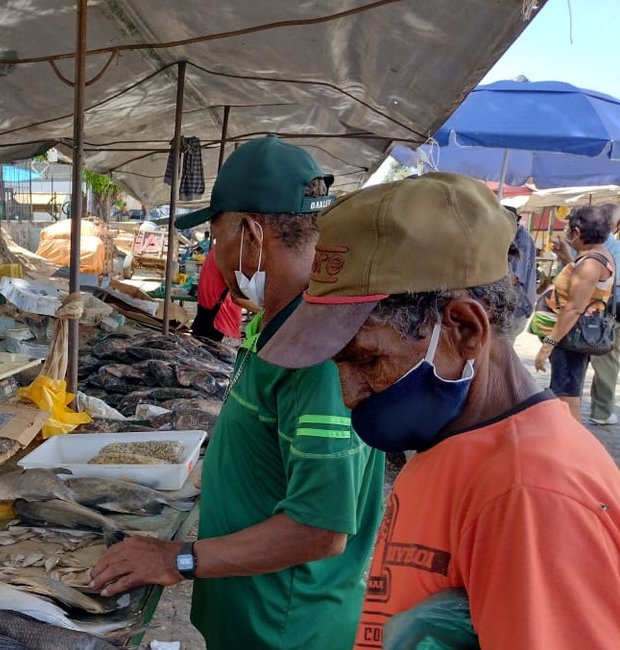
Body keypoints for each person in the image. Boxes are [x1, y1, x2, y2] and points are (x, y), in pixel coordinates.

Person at [258, 172, 620, 649]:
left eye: (367, 360)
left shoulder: (531, 494)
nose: (348, 394)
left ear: (466, 329)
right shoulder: (448, 440)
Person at [90, 136, 385, 650]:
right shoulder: (280, 324)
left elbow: (321, 528)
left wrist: (176, 558)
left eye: (214, 237)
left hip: (288, 630)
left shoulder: (317, 353)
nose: (213, 255)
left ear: (251, 233)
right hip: (250, 621)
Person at [532, 204, 615, 420]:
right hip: (574, 334)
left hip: (571, 336)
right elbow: (580, 286)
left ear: (577, 232)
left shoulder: (590, 263)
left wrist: (547, 346)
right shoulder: (595, 257)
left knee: (566, 399)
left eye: (570, 231)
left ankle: (571, 448)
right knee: (566, 394)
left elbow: (575, 306)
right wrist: (566, 258)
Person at [589, 203, 620, 425]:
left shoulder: (586, 243)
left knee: (603, 361)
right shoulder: (613, 247)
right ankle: (601, 412)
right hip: (609, 310)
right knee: (607, 362)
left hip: (595, 309)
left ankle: (600, 410)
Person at [189, 248, 244, 341]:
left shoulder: (217, 249)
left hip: (205, 319)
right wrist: (262, 310)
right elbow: (238, 297)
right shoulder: (229, 253)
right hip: (218, 325)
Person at [505, 207, 536, 336]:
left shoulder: (521, 238)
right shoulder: (511, 234)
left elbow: (515, 278)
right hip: (511, 307)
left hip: (516, 310)